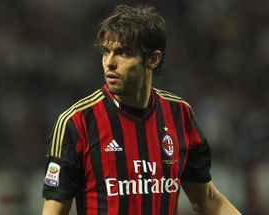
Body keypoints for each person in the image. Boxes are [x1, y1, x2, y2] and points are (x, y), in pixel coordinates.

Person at [42, 4, 241, 215]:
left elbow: (208, 200)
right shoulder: (77, 122)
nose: (109, 62)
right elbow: (54, 210)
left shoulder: (179, 115)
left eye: (123, 53)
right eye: (105, 52)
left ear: (153, 60)